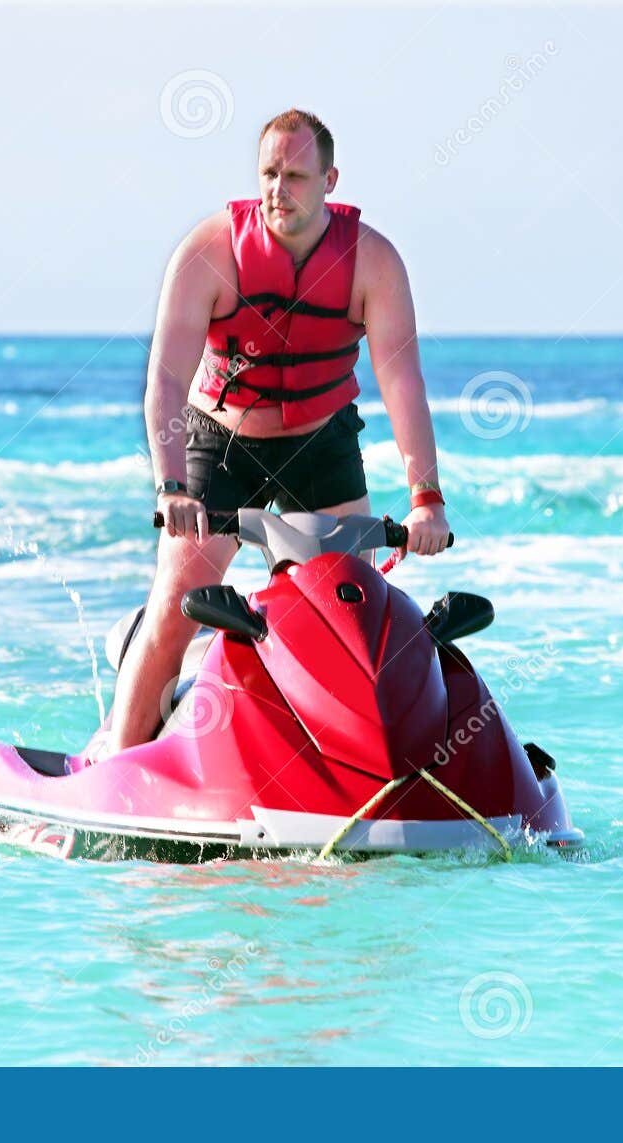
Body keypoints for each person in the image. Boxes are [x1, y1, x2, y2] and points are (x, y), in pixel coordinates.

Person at [108, 108, 450, 753]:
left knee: (349, 619)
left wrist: (425, 499)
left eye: (295, 176)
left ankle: (349, 765)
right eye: (268, 173)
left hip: (321, 443)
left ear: (329, 182)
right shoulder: (209, 253)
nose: (277, 189)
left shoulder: (373, 263)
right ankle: (120, 761)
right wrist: (172, 487)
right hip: (221, 442)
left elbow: (403, 383)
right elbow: (166, 382)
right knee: (178, 602)